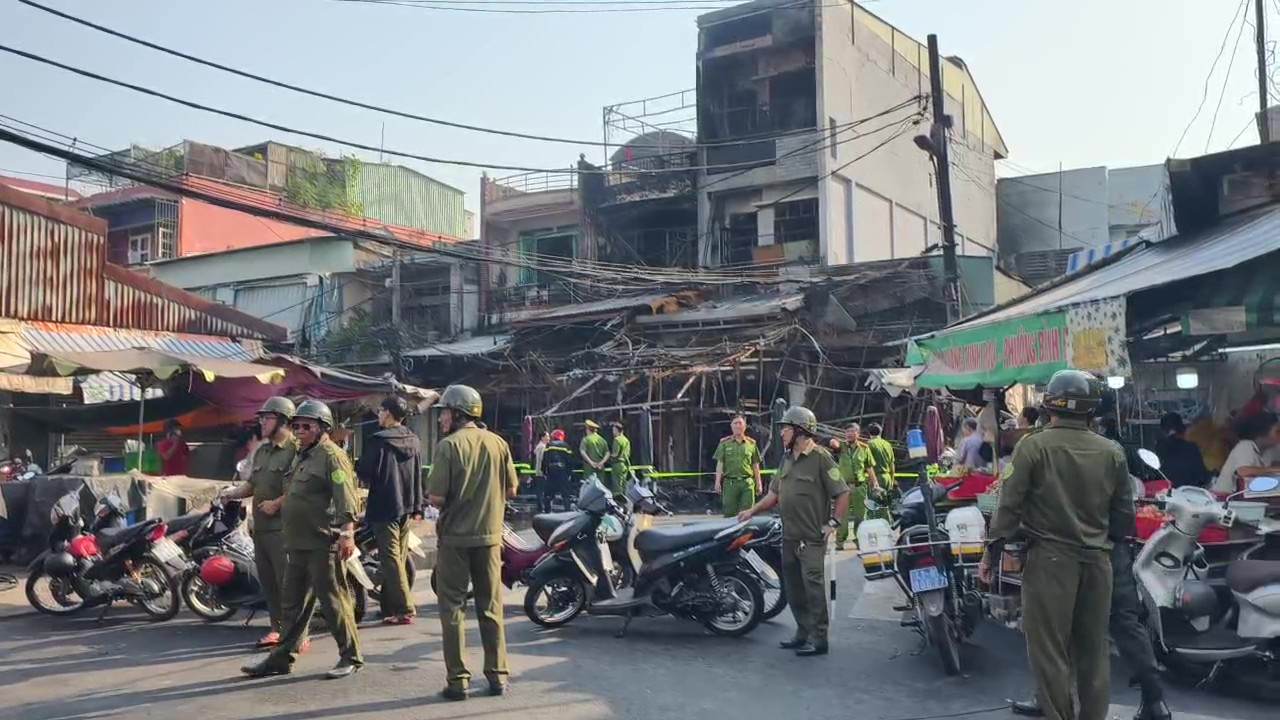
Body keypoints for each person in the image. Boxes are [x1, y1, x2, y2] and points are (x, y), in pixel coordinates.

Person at [980, 370, 1134, 720]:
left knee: (1050, 650)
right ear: (1092, 409)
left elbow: (1008, 506)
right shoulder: (1112, 452)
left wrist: (992, 552)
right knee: (1093, 651)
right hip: (1099, 563)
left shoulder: (1033, 446)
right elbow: (1124, 517)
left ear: (1049, 404)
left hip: (1050, 561)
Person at [242, 400, 363, 680]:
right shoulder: (302, 456)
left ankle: (351, 656)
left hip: (322, 543)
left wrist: (347, 534)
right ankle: (282, 658)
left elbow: (347, 498)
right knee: (291, 605)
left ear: (322, 428)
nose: (300, 431)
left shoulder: (331, 456)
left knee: (334, 603)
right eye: (296, 426)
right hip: (296, 543)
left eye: (306, 426)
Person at [427, 385, 519, 701]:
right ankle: (498, 677)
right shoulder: (499, 443)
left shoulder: (448, 447)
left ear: (456, 413)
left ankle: (458, 681)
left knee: (452, 609)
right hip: (491, 537)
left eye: (444, 413)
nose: (441, 420)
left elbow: (437, 497)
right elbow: (511, 490)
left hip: (455, 539)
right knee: (490, 607)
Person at [738, 406, 849, 657]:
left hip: (811, 538)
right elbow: (774, 494)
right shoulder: (786, 459)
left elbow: (842, 493)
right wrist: (751, 511)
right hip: (789, 537)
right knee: (793, 587)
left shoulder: (821, 458)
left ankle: (819, 639)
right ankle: (802, 632)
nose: (782, 434)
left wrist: (833, 524)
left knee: (813, 588)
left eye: (786, 429)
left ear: (800, 430)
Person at [219, 397, 299, 648]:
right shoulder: (263, 451)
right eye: (261, 418)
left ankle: (297, 634)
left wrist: (277, 503)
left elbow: (301, 487)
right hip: (261, 529)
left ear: (283, 420)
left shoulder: (296, 450)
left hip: (285, 529)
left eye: (268, 417)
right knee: (270, 583)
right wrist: (231, 493)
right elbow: (253, 485)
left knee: (288, 584)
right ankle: (277, 629)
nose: (262, 422)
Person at [357, 396, 423, 626]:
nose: (378, 414)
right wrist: (418, 505)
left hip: (385, 506)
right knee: (399, 557)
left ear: (388, 413)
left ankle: (405, 608)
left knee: (391, 558)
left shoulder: (379, 441)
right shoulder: (413, 439)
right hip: (407, 505)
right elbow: (417, 473)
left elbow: (364, 472)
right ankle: (390, 607)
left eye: (380, 410)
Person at [829, 423, 879, 551]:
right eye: (847, 432)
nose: (849, 434)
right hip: (844, 488)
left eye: (852, 431)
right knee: (842, 516)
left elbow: (869, 467)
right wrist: (833, 441)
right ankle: (840, 542)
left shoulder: (864, 448)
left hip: (859, 487)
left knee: (861, 516)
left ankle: (859, 540)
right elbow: (833, 444)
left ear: (858, 433)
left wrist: (875, 484)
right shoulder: (842, 447)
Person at [1213, 411, 1280, 495]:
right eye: (1277, 432)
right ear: (1263, 433)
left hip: (1250, 498)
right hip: (1225, 498)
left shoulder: (1271, 450)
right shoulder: (1245, 446)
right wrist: (1273, 469)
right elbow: (1243, 471)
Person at [713, 415, 763, 518]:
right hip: (730, 483)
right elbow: (720, 463)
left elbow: (755, 464)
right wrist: (717, 482)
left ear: (744, 426)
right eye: (735, 423)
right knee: (729, 513)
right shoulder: (724, 443)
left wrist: (759, 483)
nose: (737, 426)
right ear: (731, 426)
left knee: (747, 513)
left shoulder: (751, 444)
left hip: (747, 483)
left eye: (740, 423)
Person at [1154, 412, 1208, 489]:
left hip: (1165, 493)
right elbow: (1203, 477)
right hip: (1190, 494)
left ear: (1163, 430)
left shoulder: (1160, 447)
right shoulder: (1192, 448)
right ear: (1182, 430)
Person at [539, 429, 574, 512]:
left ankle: (547, 512)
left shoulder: (549, 446)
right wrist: (569, 474)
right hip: (563, 473)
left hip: (551, 473)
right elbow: (570, 461)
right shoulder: (566, 446)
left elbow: (544, 460)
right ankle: (567, 511)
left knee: (548, 494)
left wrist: (544, 472)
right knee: (566, 495)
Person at [866, 422, 897, 490]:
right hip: (887, 478)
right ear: (880, 432)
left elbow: (866, 464)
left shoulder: (869, 444)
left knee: (873, 500)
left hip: (876, 479)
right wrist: (891, 480)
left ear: (869, 433)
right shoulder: (887, 444)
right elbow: (892, 464)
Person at [607, 420, 633, 498]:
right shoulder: (626, 440)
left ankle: (618, 503)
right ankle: (625, 502)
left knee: (617, 486)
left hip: (617, 465)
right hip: (625, 465)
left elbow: (615, 454)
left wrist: (607, 456)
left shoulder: (617, 440)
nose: (613, 432)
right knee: (624, 485)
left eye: (613, 430)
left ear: (616, 430)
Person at [532, 431, 550, 498]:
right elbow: (542, 459)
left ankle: (541, 505)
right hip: (541, 471)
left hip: (539, 471)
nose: (548, 438)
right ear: (542, 438)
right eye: (547, 436)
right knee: (541, 490)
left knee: (540, 489)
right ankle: (541, 506)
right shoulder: (542, 447)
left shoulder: (540, 446)